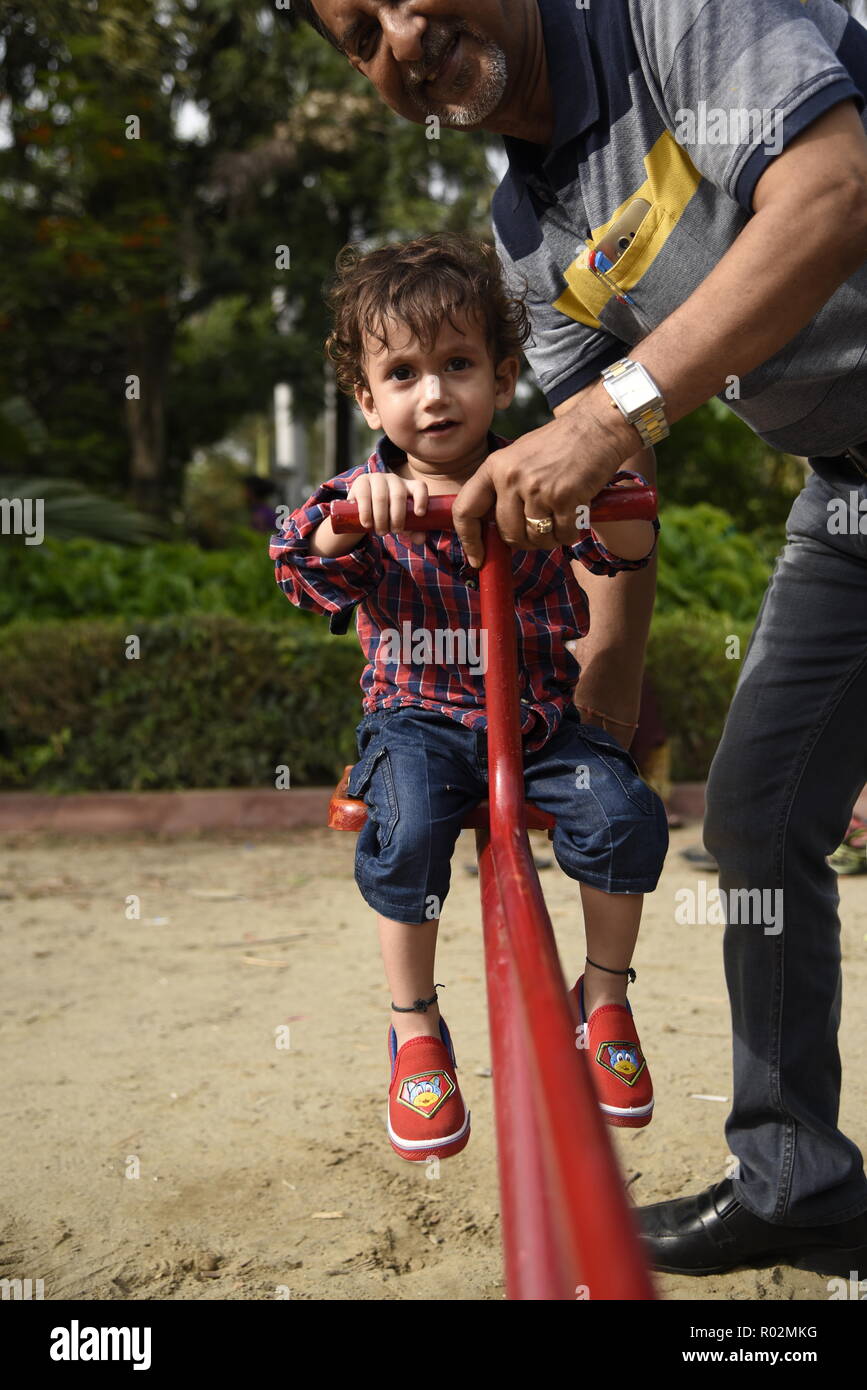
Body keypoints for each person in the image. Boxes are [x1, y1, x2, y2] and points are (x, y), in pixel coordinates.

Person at [296, 0, 867, 1276]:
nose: (403, 33)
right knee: (759, 815)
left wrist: (616, 410)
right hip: (849, 487)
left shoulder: (671, 13)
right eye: (358, 36)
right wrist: (599, 686)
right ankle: (797, 1179)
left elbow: (835, 195)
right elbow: (579, 492)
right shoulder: (527, 235)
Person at [269, 234, 668, 1162]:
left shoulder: (542, 473)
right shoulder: (362, 493)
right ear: (367, 398)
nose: (434, 394)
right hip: (418, 722)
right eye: (401, 374)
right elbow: (295, 565)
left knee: (623, 813)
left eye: (457, 365)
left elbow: (626, 541)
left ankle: (602, 1003)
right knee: (402, 827)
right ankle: (415, 1029)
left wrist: (604, 513)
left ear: (503, 373)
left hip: (534, 721)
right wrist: (337, 532)